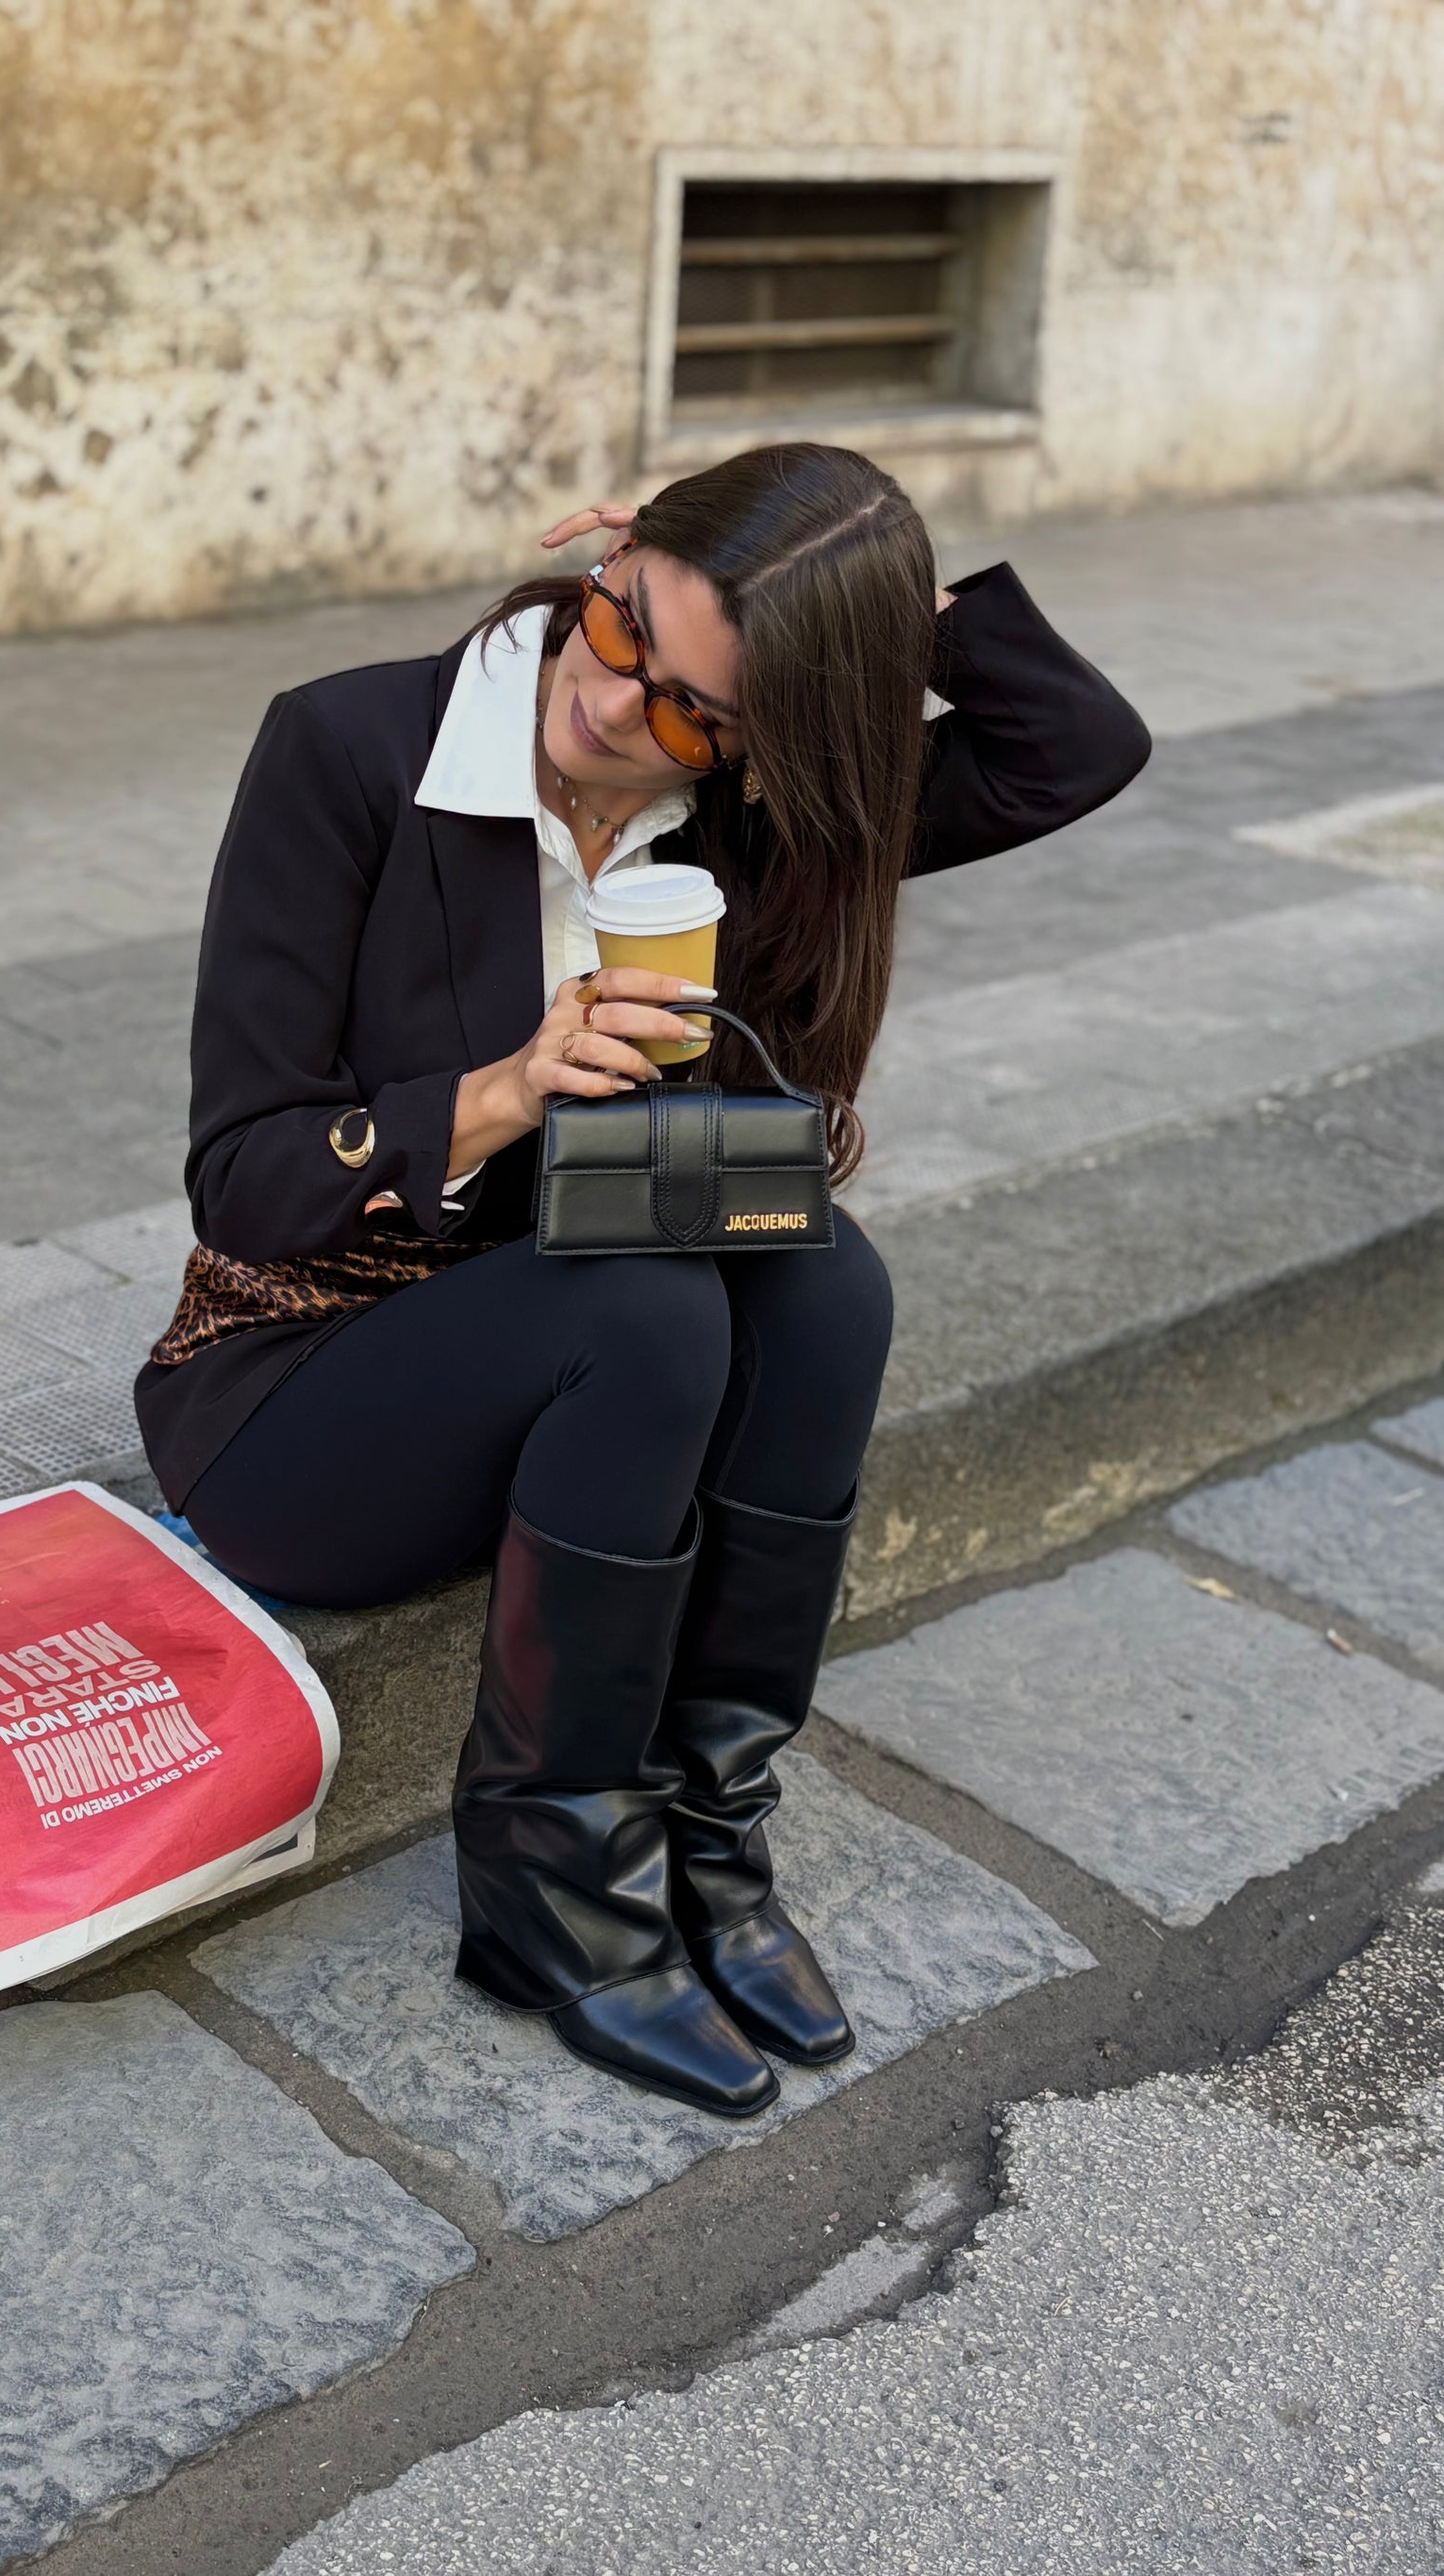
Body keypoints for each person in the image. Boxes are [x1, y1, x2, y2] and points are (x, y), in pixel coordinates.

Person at [136, 442, 1150, 2120]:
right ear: (606, 568)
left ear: (768, 735)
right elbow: (244, 1173)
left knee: (827, 1282)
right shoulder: (355, 747)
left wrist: (854, 597)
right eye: (622, 629)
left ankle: (706, 1832)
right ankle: (554, 1891)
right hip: (300, 1380)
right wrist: (504, 1091)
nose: (612, 708)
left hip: (569, 1376)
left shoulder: (750, 813)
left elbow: (1075, 748)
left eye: (692, 707)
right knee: (646, 1302)